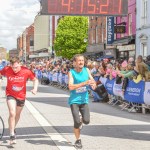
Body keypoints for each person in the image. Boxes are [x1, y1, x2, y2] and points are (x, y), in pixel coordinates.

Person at [0, 57, 38, 145]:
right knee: (12, 113)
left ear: (20, 64)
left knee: (17, 114)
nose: (15, 69)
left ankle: (12, 128)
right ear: (10, 65)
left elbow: (35, 80)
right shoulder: (7, 69)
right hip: (10, 94)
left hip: (21, 96)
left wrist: (35, 89)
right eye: (13, 67)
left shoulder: (26, 71)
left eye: (16, 67)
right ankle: (12, 135)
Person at [68, 54, 96, 149]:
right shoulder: (71, 72)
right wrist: (84, 83)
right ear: (74, 63)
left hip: (84, 100)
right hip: (74, 101)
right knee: (76, 122)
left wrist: (93, 84)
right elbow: (71, 87)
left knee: (87, 121)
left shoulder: (87, 70)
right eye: (79, 61)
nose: (81, 62)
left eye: (82, 61)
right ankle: (78, 140)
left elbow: (92, 80)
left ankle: (81, 121)